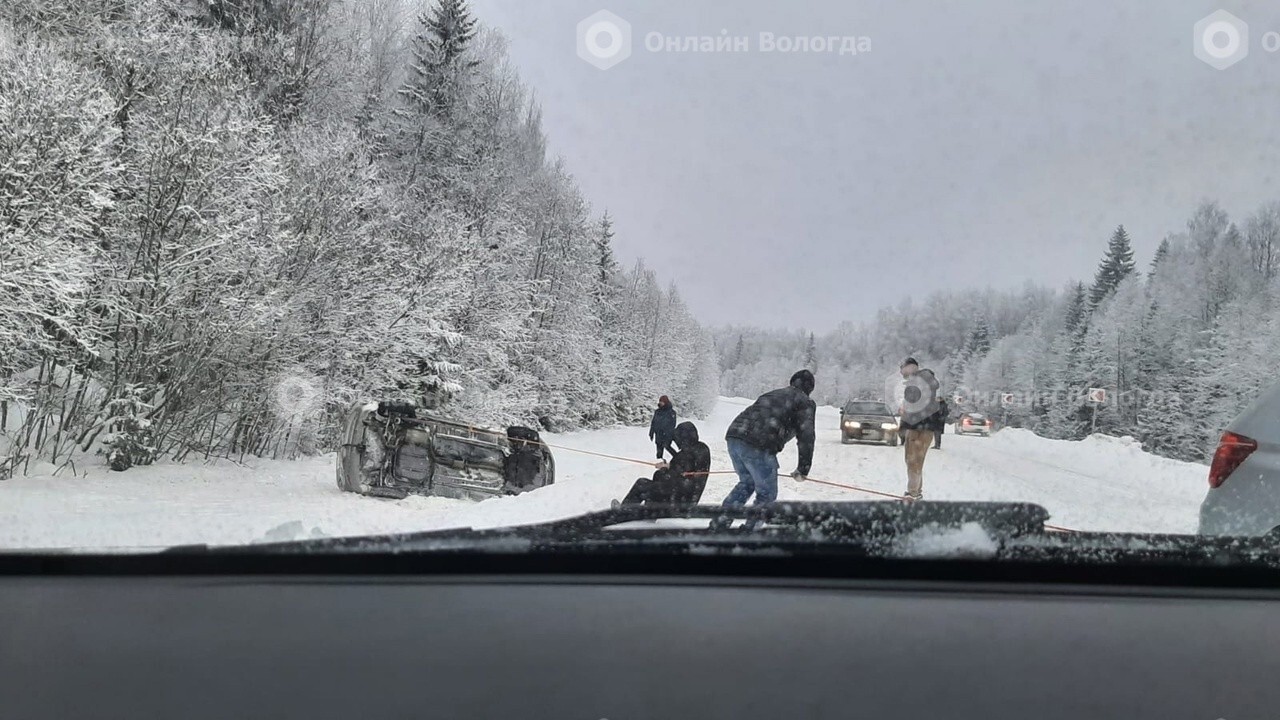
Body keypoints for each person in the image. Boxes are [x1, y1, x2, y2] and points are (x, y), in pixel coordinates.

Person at [721, 369, 816, 509]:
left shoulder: (773, 393)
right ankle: (751, 530)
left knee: (747, 483)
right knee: (767, 494)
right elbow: (806, 436)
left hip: (734, 436)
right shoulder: (805, 402)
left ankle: (720, 523)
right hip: (758, 444)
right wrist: (803, 469)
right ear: (810, 388)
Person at [616, 422, 712, 507]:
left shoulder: (691, 452)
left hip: (679, 500)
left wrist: (665, 469)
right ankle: (649, 510)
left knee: (641, 484)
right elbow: (683, 469)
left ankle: (623, 512)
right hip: (684, 499)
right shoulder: (700, 448)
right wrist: (668, 467)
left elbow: (678, 476)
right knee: (657, 479)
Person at [897, 358, 940, 501]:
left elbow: (928, 391)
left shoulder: (924, 377)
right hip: (914, 426)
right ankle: (916, 491)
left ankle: (913, 493)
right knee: (911, 460)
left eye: (902, 368)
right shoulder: (914, 381)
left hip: (923, 427)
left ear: (910, 367)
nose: (901, 372)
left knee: (915, 460)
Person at [649, 396, 678, 460]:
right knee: (659, 449)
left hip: (667, 434)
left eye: (662, 402)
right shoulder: (657, 412)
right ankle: (659, 461)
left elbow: (673, 424)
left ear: (666, 402)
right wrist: (651, 432)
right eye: (660, 401)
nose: (661, 403)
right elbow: (653, 422)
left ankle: (677, 457)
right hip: (658, 433)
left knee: (666, 446)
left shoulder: (671, 412)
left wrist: (668, 432)